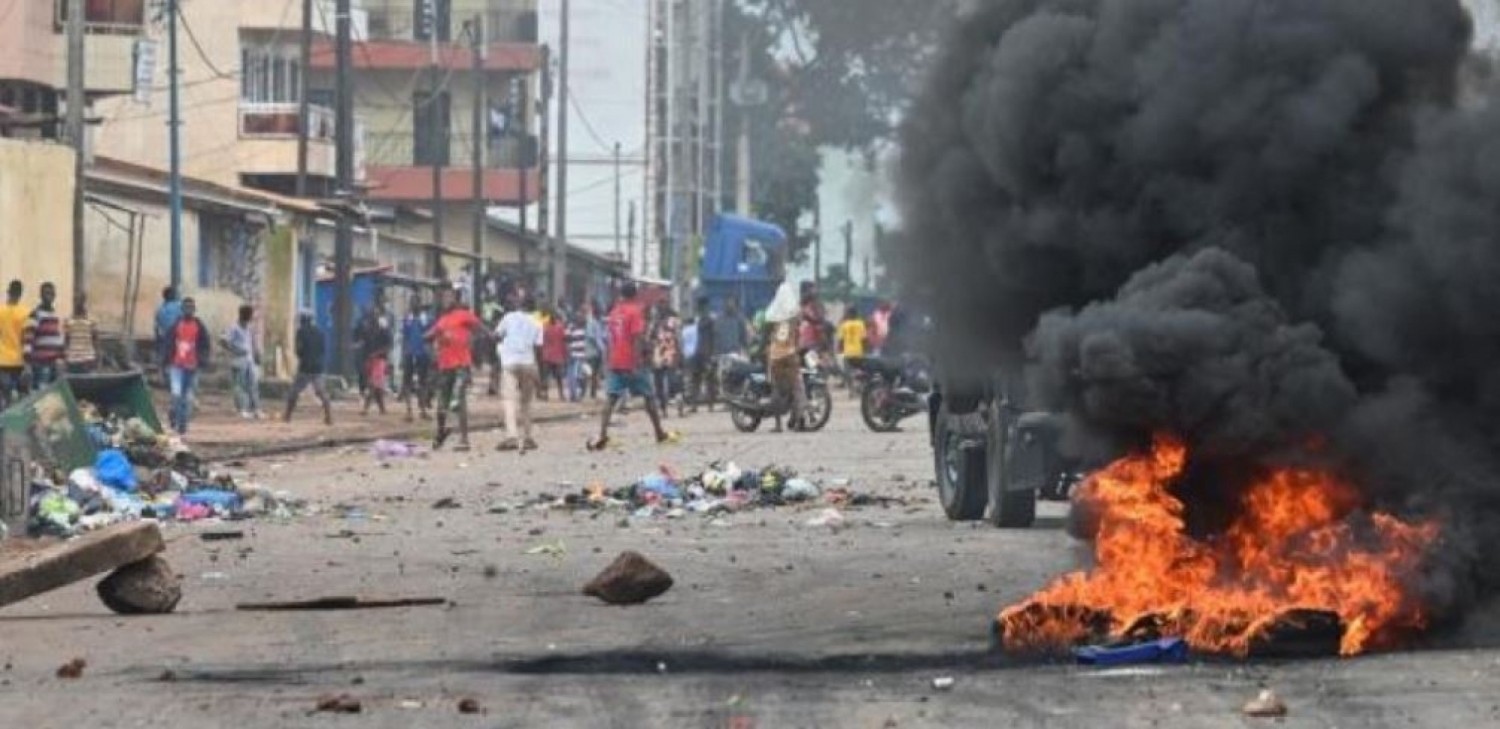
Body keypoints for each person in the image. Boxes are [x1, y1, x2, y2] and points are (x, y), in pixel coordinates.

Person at [589, 282, 673, 451]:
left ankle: (603, 434)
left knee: (611, 399)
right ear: (635, 295)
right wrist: (638, 360)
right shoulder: (635, 312)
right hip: (631, 361)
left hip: (615, 360)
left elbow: (610, 339)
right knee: (649, 397)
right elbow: (637, 338)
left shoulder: (614, 313)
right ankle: (659, 432)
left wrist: (608, 360)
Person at [426, 286, 484, 451]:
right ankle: (441, 433)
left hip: (461, 365)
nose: (446, 301)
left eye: (449, 298)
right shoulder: (442, 320)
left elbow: (480, 327)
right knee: (441, 404)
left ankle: (464, 439)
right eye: (444, 298)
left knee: (458, 400)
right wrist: (434, 338)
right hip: (445, 366)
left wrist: (489, 337)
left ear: (455, 300)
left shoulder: (463, 315)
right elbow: (430, 334)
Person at [494, 294, 543, 452]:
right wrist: (539, 371)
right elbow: (538, 347)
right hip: (528, 361)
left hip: (509, 362)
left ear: (520, 304)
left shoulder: (509, 317)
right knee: (527, 401)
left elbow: (496, 335)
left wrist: (501, 342)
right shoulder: (538, 321)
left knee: (509, 400)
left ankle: (512, 436)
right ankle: (528, 436)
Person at [764, 282, 807, 433]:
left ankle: (778, 425)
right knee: (797, 387)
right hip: (790, 355)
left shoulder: (775, 315)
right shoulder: (794, 317)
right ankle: (800, 420)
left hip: (776, 357)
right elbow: (799, 328)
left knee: (777, 390)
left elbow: (769, 332)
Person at [164, 297, 210, 434]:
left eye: (191, 307)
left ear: (194, 310)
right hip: (176, 366)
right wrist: (165, 362)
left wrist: (202, 360)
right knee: (176, 395)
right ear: (182, 309)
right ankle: (174, 417)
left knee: (187, 397)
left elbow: (205, 345)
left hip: (192, 366)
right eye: (186, 307)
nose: (188, 310)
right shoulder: (175, 325)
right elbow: (168, 344)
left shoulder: (199, 326)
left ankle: (182, 424)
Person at [283, 312, 333, 425]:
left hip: (305, 367)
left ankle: (287, 416)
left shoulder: (301, 332)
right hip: (318, 367)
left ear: (303, 321)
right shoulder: (320, 333)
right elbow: (323, 350)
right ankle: (329, 416)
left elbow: (298, 350)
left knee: (294, 392)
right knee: (321, 392)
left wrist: (303, 357)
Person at [222, 304, 262, 419]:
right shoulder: (234, 328)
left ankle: (256, 409)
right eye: (250, 315)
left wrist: (256, 354)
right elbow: (223, 341)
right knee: (240, 386)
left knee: (252, 385)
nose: (251, 318)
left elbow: (252, 342)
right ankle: (242, 409)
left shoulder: (249, 328)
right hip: (238, 361)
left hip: (249, 361)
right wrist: (235, 350)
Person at [23, 282, 66, 389]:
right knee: (42, 393)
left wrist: (62, 356)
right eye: (46, 293)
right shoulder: (35, 314)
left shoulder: (54, 314)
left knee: (53, 394)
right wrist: (27, 363)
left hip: (54, 363)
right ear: (41, 295)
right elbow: (28, 338)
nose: (49, 296)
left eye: (52, 294)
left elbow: (57, 337)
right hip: (40, 363)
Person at [400, 302, 435, 422]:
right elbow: (405, 336)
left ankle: (422, 410)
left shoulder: (425, 318)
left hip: (421, 353)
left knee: (422, 382)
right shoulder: (408, 319)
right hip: (411, 352)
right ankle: (409, 410)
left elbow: (431, 335)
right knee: (408, 383)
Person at [650, 301, 682, 416]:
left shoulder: (655, 323)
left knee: (660, 382)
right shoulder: (674, 322)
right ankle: (677, 398)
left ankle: (664, 408)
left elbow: (650, 338)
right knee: (672, 378)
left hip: (660, 354)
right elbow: (679, 338)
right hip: (669, 353)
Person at [687, 298, 717, 413]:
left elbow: (714, 337)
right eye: (700, 307)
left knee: (708, 379)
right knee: (696, 379)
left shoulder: (709, 320)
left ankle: (710, 405)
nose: (701, 309)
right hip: (696, 352)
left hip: (706, 353)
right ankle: (695, 405)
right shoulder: (696, 320)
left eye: (703, 307)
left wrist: (713, 353)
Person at [361, 309, 393, 416]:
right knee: (377, 386)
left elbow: (388, 346)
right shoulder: (368, 331)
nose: (371, 320)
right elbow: (366, 346)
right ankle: (382, 409)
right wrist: (367, 359)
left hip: (380, 360)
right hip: (371, 360)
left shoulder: (383, 330)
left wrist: (377, 353)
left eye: (373, 317)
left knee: (373, 385)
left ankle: (366, 408)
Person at [0, 281, 27, 408]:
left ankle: (4, 423)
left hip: (3, 360)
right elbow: (26, 338)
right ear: (20, 294)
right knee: (22, 397)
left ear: (8, 292)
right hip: (19, 360)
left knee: (5, 397)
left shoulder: (1, 311)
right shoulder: (25, 313)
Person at [63, 293, 101, 376]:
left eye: (80, 300)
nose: (78, 302)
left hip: (88, 360)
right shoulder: (68, 321)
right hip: (72, 360)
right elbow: (66, 341)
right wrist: (65, 357)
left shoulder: (91, 320)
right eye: (76, 300)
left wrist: (97, 358)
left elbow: (95, 340)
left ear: (84, 301)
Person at [153, 287, 182, 382]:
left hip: (163, 337)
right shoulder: (178, 307)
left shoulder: (160, 308)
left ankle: (161, 377)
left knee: (162, 358)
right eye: (174, 294)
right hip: (174, 337)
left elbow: (157, 324)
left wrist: (158, 337)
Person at [837, 306, 868, 391]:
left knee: (848, 372)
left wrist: (839, 350)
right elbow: (864, 339)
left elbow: (841, 340)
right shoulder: (860, 324)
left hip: (848, 353)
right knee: (862, 371)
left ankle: (851, 390)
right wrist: (865, 350)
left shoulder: (844, 325)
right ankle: (860, 387)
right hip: (859, 352)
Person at [541, 310, 568, 402]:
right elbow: (564, 341)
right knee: (559, 377)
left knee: (546, 377)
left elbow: (543, 341)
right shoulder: (560, 327)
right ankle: (561, 395)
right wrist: (565, 354)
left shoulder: (545, 328)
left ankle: (545, 394)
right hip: (557, 356)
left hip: (547, 355)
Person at [584, 302, 607, 400]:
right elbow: (591, 336)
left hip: (598, 352)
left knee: (595, 373)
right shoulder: (591, 322)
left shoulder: (599, 323)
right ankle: (584, 391)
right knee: (589, 372)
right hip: (591, 351)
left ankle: (592, 393)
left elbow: (602, 335)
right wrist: (600, 343)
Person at [564, 312, 588, 402]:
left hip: (580, 356)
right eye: (579, 317)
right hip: (574, 355)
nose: (580, 319)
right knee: (573, 377)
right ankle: (573, 395)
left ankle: (576, 395)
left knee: (578, 376)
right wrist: (569, 352)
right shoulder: (571, 328)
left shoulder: (584, 328)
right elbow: (566, 340)